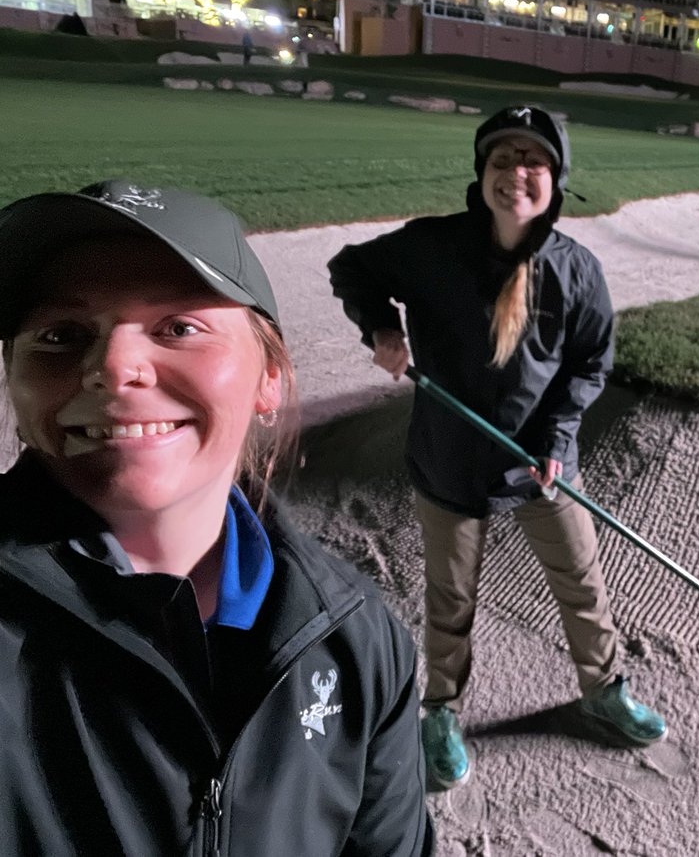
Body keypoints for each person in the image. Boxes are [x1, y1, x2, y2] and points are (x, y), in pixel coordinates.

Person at [0, 180, 433, 855]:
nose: (112, 367)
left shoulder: (356, 636)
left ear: (269, 377)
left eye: (178, 328)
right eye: (60, 335)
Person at [328, 105, 668, 790]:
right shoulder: (430, 246)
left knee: (581, 581)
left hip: (543, 462)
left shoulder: (577, 270)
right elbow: (352, 269)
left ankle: (603, 690)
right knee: (451, 597)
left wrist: (558, 437)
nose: (517, 172)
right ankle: (440, 714)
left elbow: (591, 363)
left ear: (556, 180)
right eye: (503, 159)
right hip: (451, 455)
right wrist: (381, 331)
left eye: (533, 161)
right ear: (483, 174)